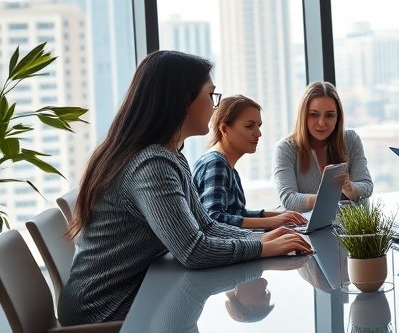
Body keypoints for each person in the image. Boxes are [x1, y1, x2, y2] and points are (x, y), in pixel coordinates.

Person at [58, 51, 311, 326]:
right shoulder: (151, 163)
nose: (215, 107)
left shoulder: (171, 155)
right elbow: (193, 250)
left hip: (133, 289)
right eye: (211, 95)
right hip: (104, 309)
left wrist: (263, 239)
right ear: (183, 100)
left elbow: (206, 225)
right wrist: (261, 248)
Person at [192, 95, 305, 230]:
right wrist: (273, 222)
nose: (258, 133)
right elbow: (214, 218)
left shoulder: (227, 167)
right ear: (224, 129)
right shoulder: (216, 164)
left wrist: (279, 214)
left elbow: (235, 214)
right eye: (249, 126)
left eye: (259, 126)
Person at [274, 82, 373, 212]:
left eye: (330, 115)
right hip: (305, 226)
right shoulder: (286, 148)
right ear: (303, 116)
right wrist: (326, 198)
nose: (321, 123)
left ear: (338, 117)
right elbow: (288, 199)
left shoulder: (350, 140)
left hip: (350, 226)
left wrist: (349, 187)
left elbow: (366, 186)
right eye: (314, 114)